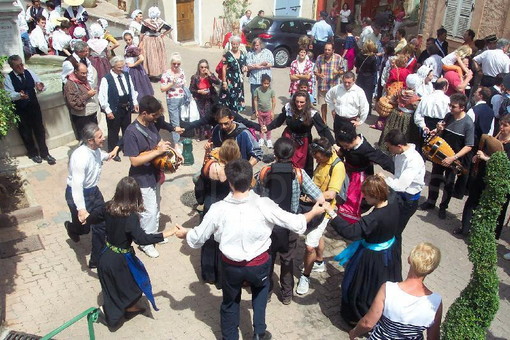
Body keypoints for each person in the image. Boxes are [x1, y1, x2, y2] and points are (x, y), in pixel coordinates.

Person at [174, 158, 326, 340]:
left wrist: (185, 233)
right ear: (250, 181)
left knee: (230, 302)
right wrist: (314, 212)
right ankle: (259, 333)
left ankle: (230, 337)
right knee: (260, 296)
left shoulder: (218, 208)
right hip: (259, 265)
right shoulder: (264, 204)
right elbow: (296, 222)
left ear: (230, 182)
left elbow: (198, 238)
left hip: (230, 267)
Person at [85, 176, 176, 328]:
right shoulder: (130, 217)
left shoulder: (108, 207)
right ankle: (108, 316)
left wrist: (85, 218)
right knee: (130, 287)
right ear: (136, 195)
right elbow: (142, 239)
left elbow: (92, 218)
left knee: (117, 288)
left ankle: (128, 308)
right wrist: (167, 233)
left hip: (106, 256)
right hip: (120, 261)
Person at [326, 175, 402, 325]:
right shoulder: (393, 200)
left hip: (372, 258)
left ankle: (357, 317)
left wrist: (332, 213)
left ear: (375, 196)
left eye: (366, 195)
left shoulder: (373, 219)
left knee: (361, 286)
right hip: (390, 251)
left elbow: (350, 232)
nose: (364, 198)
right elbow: (392, 191)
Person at [258, 138, 325, 304]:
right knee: (287, 261)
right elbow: (320, 197)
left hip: (269, 226)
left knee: (268, 259)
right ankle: (287, 295)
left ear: (275, 153)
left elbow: (256, 193)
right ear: (294, 154)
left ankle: (265, 293)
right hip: (290, 227)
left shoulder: (265, 172)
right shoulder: (299, 174)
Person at [123, 95, 182, 258]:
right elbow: (134, 160)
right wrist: (157, 151)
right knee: (147, 211)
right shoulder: (131, 132)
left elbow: (157, 143)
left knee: (155, 206)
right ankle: (145, 242)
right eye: (154, 115)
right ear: (144, 113)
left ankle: (154, 234)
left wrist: (172, 153)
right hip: (141, 178)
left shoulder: (150, 124)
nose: (156, 118)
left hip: (154, 175)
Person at [348, 242, 442, 340]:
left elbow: (367, 323)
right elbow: (433, 337)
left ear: (409, 259)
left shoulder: (388, 289)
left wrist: (354, 333)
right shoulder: (436, 302)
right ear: (431, 270)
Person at [296, 137, 345, 295]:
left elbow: (331, 193)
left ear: (325, 154)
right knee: (317, 235)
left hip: (324, 209)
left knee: (309, 245)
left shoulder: (338, 167)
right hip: (313, 206)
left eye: (317, 156)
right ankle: (319, 261)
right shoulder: (323, 160)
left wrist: (311, 196)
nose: (315, 159)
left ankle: (305, 276)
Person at [64, 123, 114, 268]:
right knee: (84, 228)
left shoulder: (95, 149)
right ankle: (73, 228)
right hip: (78, 195)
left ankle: (96, 260)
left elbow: (99, 156)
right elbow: (77, 186)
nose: (103, 138)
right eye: (100, 137)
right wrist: (81, 209)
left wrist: (108, 156)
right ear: (90, 140)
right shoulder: (80, 157)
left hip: (94, 193)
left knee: (101, 225)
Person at [420, 93, 474, 219]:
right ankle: (430, 202)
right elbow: (441, 134)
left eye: (453, 106)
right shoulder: (449, 116)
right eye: (450, 105)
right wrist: (438, 129)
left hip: (453, 159)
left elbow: (469, 146)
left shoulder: (468, 124)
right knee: (435, 178)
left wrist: (453, 158)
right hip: (439, 155)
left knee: (449, 183)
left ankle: (443, 207)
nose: (450, 108)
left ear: (462, 107)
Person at [197, 140, 241, 285]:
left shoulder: (210, 166)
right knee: (225, 241)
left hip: (210, 204)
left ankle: (209, 274)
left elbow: (200, 183)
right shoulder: (235, 171)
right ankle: (222, 278)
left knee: (208, 238)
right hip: (227, 207)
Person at [460, 114, 510, 237]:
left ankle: (488, 235)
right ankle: (465, 228)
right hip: (483, 173)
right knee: (473, 199)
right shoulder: (496, 136)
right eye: (501, 124)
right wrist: (478, 156)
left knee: (494, 207)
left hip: (499, 179)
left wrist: (486, 158)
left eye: (505, 125)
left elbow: (506, 164)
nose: (501, 127)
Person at [380, 129, 425, 262]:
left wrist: (384, 179)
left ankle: (393, 260)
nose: (389, 150)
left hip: (407, 201)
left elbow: (401, 185)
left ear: (399, 146)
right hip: (398, 195)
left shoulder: (413, 161)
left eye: (390, 147)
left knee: (395, 232)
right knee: (388, 226)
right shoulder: (400, 153)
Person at [264, 91, 334, 175]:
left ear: (307, 102)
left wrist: (333, 144)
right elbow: (279, 120)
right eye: (297, 101)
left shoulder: (312, 114)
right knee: (284, 160)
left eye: (302, 102)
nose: (299, 104)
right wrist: (268, 127)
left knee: (301, 166)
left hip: (303, 142)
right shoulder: (289, 108)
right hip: (288, 138)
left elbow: (323, 129)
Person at [335, 124, 394, 223]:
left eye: (346, 146)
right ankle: (342, 216)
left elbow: (381, 158)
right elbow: (344, 151)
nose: (345, 148)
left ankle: (350, 221)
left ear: (353, 139)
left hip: (359, 177)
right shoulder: (347, 144)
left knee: (354, 199)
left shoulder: (365, 148)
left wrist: (398, 171)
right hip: (348, 172)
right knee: (342, 194)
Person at [4, 55, 56, 165]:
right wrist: (18, 95)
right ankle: (33, 154)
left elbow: (40, 85)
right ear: (12, 67)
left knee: (40, 130)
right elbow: (9, 95)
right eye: (17, 66)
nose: (21, 67)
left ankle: (45, 153)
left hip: (34, 107)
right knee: (26, 133)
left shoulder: (29, 72)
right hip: (21, 110)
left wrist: (41, 87)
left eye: (21, 64)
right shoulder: (9, 79)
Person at [98, 56, 139, 155]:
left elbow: (132, 89)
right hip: (115, 108)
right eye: (119, 67)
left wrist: (135, 102)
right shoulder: (106, 79)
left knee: (127, 129)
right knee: (113, 131)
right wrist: (108, 110)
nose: (121, 69)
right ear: (113, 67)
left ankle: (127, 147)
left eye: (123, 66)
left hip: (126, 107)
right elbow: (102, 97)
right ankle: (113, 151)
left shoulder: (126, 75)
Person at [377, 74, 422, 150]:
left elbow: (391, 100)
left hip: (395, 114)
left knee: (391, 131)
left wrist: (399, 104)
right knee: (403, 134)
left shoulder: (401, 91)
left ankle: (386, 148)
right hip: (407, 118)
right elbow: (417, 109)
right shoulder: (415, 98)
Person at [325, 72, 369, 139]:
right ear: (342, 80)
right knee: (338, 140)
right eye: (345, 82)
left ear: (354, 81)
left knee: (349, 142)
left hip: (350, 121)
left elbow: (365, 107)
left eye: (349, 82)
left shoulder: (359, 92)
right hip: (338, 120)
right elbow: (328, 97)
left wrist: (361, 121)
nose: (346, 84)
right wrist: (332, 108)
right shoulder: (337, 88)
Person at [64, 63, 99, 140]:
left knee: (95, 138)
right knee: (86, 140)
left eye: (86, 73)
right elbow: (73, 102)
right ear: (76, 72)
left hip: (91, 115)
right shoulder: (70, 84)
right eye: (82, 73)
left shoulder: (83, 80)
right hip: (82, 118)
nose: (85, 75)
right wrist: (87, 95)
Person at [189, 59, 221, 140]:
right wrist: (199, 91)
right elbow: (191, 89)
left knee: (209, 116)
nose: (203, 69)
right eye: (202, 67)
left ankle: (209, 133)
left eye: (205, 67)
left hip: (209, 99)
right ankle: (200, 135)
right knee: (201, 117)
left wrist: (210, 74)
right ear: (199, 68)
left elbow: (217, 82)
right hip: (199, 100)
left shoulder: (209, 76)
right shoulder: (195, 77)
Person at [160, 52, 186, 148]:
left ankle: (177, 136)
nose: (176, 65)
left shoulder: (181, 71)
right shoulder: (166, 74)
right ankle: (176, 143)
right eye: (174, 63)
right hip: (172, 99)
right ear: (171, 63)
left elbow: (183, 84)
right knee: (175, 121)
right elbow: (162, 89)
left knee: (179, 119)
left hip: (181, 98)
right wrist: (171, 83)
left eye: (178, 64)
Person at [314, 42, 345, 122]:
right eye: (325, 49)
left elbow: (344, 70)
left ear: (333, 50)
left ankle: (336, 123)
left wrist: (338, 72)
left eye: (329, 50)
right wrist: (319, 74)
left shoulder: (338, 58)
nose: (327, 51)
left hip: (334, 87)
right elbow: (315, 70)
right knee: (323, 106)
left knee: (334, 107)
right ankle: (324, 122)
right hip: (322, 86)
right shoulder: (319, 58)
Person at [140, 6, 172, 78]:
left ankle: (150, 72)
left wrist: (140, 41)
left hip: (148, 40)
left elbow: (142, 33)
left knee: (149, 56)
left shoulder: (146, 22)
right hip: (158, 39)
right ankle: (158, 71)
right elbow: (170, 28)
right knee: (158, 55)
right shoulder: (160, 22)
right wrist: (163, 34)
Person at [219, 35, 248, 114]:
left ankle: (236, 117)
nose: (235, 46)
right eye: (233, 44)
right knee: (230, 100)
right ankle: (229, 116)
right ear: (231, 44)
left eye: (236, 44)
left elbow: (244, 65)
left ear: (239, 44)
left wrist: (245, 68)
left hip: (239, 82)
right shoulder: (227, 55)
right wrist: (224, 82)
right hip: (230, 82)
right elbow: (224, 68)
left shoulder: (242, 54)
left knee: (238, 100)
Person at [246, 38, 274, 120]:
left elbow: (271, 63)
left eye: (257, 45)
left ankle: (266, 112)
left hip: (265, 79)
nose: (256, 47)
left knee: (266, 95)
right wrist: (259, 65)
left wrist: (260, 66)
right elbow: (248, 65)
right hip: (254, 78)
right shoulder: (250, 53)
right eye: (254, 45)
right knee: (254, 95)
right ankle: (255, 112)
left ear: (261, 45)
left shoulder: (267, 52)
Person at [123, 31, 154, 101]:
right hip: (127, 68)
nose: (128, 41)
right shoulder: (126, 47)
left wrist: (133, 64)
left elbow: (142, 58)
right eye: (126, 40)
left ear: (132, 39)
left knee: (137, 84)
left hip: (134, 69)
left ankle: (139, 100)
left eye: (129, 39)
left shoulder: (133, 48)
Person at [355, 40, 378, 115]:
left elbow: (356, 65)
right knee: (368, 95)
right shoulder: (372, 58)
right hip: (369, 78)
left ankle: (358, 110)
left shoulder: (359, 55)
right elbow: (374, 69)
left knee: (358, 94)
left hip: (360, 76)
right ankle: (367, 111)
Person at [253, 74, 276, 148]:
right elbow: (255, 100)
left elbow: (274, 101)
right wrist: (256, 111)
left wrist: (272, 111)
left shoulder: (271, 91)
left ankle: (268, 139)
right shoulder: (257, 90)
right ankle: (261, 138)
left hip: (268, 112)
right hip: (260, 111)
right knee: (261, 125)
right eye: (264, 83)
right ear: (261, 82)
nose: (266, 85)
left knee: (268, 126)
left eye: (268, 83)